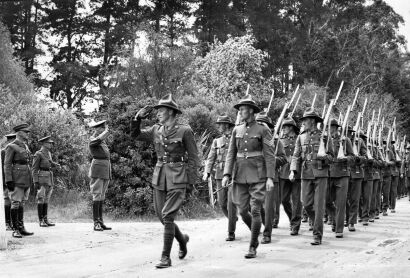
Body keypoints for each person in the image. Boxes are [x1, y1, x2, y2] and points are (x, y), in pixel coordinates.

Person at [131, 94, 199, 269]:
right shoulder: (156, 129)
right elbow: (136, 135)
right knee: (162, 217)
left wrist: (190, 182)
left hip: (178, 176)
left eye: (161, 110)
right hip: (160, 176)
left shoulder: (185, 131)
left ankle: (165, 257)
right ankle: (182, 240)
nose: (158, 113)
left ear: (170, 111)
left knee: (168, 215)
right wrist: (137, 118)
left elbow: (193, 158)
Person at [222, 95, 275, 258]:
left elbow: (269, 155)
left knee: (255, 210)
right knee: (242, 210)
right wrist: (226, 173)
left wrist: (270, 177)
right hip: (239, 176)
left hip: (258, 176)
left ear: (251, 111)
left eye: (243, 109)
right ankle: (256, 230)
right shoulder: (236, 130)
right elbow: (231, 153)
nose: (240, 112)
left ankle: (253, 245)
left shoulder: (262, 129)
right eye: (240, 109)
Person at [290, 108, 334, 245]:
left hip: (321, 173)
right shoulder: (301, 137)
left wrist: (325, 157)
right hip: (306, 173)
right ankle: (316, 222)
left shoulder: (325, 137)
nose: (303, 123)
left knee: (319, 206)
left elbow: (332, 156)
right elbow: (296, 156)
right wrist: (293, 171)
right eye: (303, 120)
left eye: (306, 120)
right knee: (306, 203)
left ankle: (317, 234)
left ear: (313, 121)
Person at [203, 115, 238, 241]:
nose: (219, 126)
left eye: (221, 124)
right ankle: (233, 219)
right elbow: (211, 158)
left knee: (231, 203)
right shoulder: (217, 141)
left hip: (233, 175)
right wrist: (207, 172)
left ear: (227, 125)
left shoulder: (236, 139)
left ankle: (231, 231)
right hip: (219, 175)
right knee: (222, 204)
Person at [256, 111, 286, 244]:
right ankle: (260, 226)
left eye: (263, 124)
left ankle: (267, 233)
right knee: (256, 206)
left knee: (268, 207)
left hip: (270, 177)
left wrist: (270, 158)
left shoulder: (276, 141)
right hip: (255, 177)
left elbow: (283, 158)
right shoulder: (253, 140)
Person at [4, 123, 34, 238]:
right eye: (26, 132)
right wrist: (9, 180)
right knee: (15, 202)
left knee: (22, 202)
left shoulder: (25, 146)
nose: (27, 134)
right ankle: (15, 229)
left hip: (25, 177)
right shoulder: (11, 146)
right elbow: (7, 165)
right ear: (19, 133)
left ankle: (21, 227)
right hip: (16, 178)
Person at [327, 119, 354, 238]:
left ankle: (339, 228)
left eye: (333, 126)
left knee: (341, 203)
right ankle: (334, 219)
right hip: (328, 174)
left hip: (342, 174)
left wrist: (345, 159)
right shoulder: (325, 140)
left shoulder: (345, 140)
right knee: (327, 200)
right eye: (329, 126)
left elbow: (352, 157)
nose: (331, 128)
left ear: (336, 127)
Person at [279, 116, 303, 236]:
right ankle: (291, 218)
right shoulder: (280, 139)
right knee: (284, 199)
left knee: (297, 200)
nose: (283, 129)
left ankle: (295, 225)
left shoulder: (299, 138)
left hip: (297, 173)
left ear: (291, 127)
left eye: (286, 126)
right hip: (283, 172)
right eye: (283, 126)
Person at [88, 120, 112, 232]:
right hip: (98, 169)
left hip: (105, 169)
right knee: (97, 195)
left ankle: (100, 221)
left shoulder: (101, 141)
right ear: (98, 129)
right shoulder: (93, 140)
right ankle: (96, 222)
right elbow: (97, 141)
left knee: (101, 195)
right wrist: (106, 132)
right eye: (103, 128)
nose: (105, 130)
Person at [32, 136, 59, 227]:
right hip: (42, 178)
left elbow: (50, 162)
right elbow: (34, 169)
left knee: (47, 199)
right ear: (44, 144)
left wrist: (56, 164)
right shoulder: (38, 154)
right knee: (41, 198)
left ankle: (45, 219)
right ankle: (41, 220)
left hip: (49, 177)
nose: (51, 144)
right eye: (49, 143)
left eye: (51, 143)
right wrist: (35, 181)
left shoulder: (49, 153)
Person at [345, 126, 366, 232]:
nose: (347, 134)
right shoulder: (341, 141)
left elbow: (365, 157)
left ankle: (351, 221)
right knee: (343, 198)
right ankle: (346, 217)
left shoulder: (359, 141)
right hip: (344, 173)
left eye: (349, 132)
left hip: (356, 173)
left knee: (354, 198)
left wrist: (358, 158)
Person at [2, 133, 16, 231]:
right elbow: (4, 168)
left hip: (14, 180)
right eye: (12, 140)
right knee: (7, 201)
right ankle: (7, 223)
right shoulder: (3, 151)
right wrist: (6, 182)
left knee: (13, 201)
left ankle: (12, 223)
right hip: (7, 181)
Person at [359, 132, 373, 226]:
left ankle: (365, 217)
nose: (361, 139)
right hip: (358, 174)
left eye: (362, 138)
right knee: (357, 197)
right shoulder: (353, 145)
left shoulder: (369, 149)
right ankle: (360, 214)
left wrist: (368, 159)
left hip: (367, 175)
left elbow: (372, 160)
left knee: (366, 197)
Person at [390, 141, 400, 213]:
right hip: (388, 173)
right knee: (386, 191)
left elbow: (400, 163)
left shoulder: (397, 152)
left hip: (395, 173)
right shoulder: (387, 151)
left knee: (393, 191)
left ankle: (392, 206)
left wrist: (396, 153)